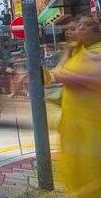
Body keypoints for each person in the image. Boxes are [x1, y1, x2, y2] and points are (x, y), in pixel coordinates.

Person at [52, 16, 101, 196]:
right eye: (77, 25)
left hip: (93, 129)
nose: (78, 28)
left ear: (97, 31)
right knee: (78, 174)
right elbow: (58, 72)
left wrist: (66, 76)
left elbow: (62, 75)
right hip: (75, 127)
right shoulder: (80, 52)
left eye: (86, 25)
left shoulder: (96, 52)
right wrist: (68, 50)